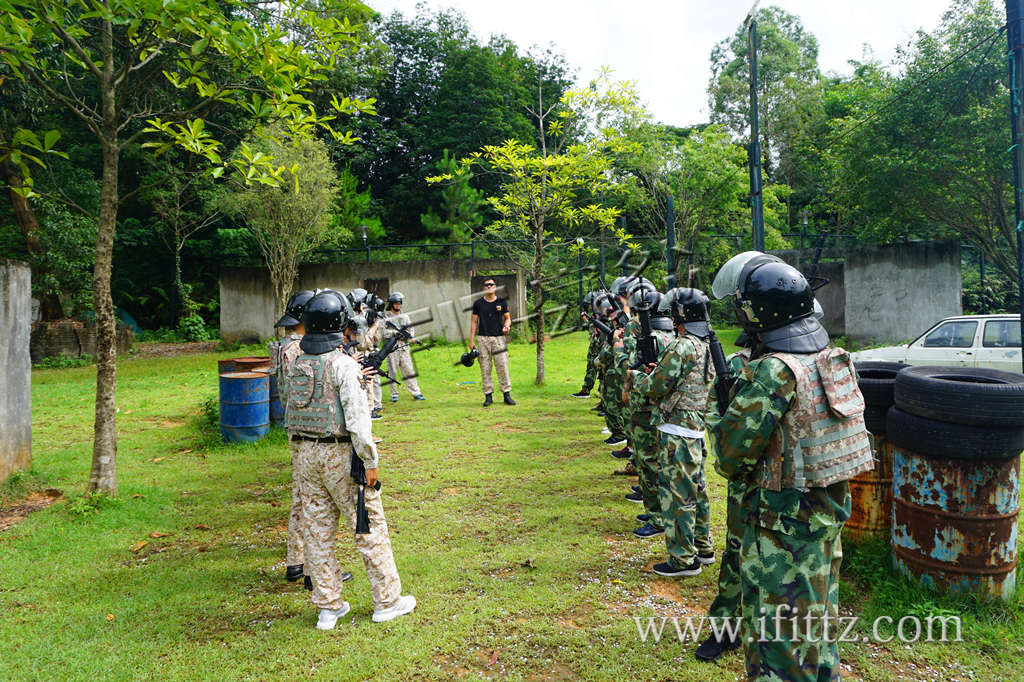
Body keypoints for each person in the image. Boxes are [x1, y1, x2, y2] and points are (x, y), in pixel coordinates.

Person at [707, 252, 873, 681]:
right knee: (817, 627)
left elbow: (728, 457)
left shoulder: (774, 372)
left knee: (777, 645)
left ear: (755, 313)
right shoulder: (830, 359)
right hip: (824, 519)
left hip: (781, 530)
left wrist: (718, 409)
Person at [286, 290, 415, 630]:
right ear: (340, 324)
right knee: (368, 525)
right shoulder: (343, 365)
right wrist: (370, 461)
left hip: (306, 455)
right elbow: (359, 422)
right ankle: (387, 601)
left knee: (317, 532)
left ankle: (329, 606)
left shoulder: (300, 362)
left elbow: (291, 413)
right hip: (341, 454)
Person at [270, 290, 356, 589]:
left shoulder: (283, 347)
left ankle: (298, 562)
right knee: (307, 503)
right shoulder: (297, 350)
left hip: (296, 428)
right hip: (308, 431)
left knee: (301, 499)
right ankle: (306, 567)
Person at [632, 287, 716, 576]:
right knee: (698, 492)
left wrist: (638, 378)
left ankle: (682, 560)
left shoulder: (683, 345)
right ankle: (703, 548)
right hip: (695, 430)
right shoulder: (705, 343)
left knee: (677, 497)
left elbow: (656, 387)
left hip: (676, 431)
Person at [469, 278, 515, 407]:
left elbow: (508, 318)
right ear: (484, 288)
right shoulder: (478, 303)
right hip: (483, 338)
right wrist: (471, 340)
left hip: (499, 339)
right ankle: (488, 396)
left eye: (492, 284)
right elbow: (474, 322)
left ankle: (506, 394)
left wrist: (507, 326)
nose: (489, 286)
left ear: (495, 286)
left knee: (502, 366)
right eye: (487, 285)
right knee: (485, 368)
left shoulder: (502, 302)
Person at [382, 291, 425, 402]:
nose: (398, 305)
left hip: (404, 347)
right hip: (392, 347)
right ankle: (394, 394)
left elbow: (410, 330)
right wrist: (394, 333)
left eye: (400, 303)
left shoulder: (405, 317)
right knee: (392, 372)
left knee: (409, 370)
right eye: (396, 303)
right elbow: (383, 333)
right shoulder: (386, 318)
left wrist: (411, 338)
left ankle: (416, 393)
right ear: (391, 304)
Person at [572, 291, 600, 398]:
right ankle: (587, 389)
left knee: (595, 367)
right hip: (596, 344)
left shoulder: (602, 316)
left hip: (598, 345)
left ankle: (589, 390)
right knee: (592, 367)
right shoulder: (598, 316)